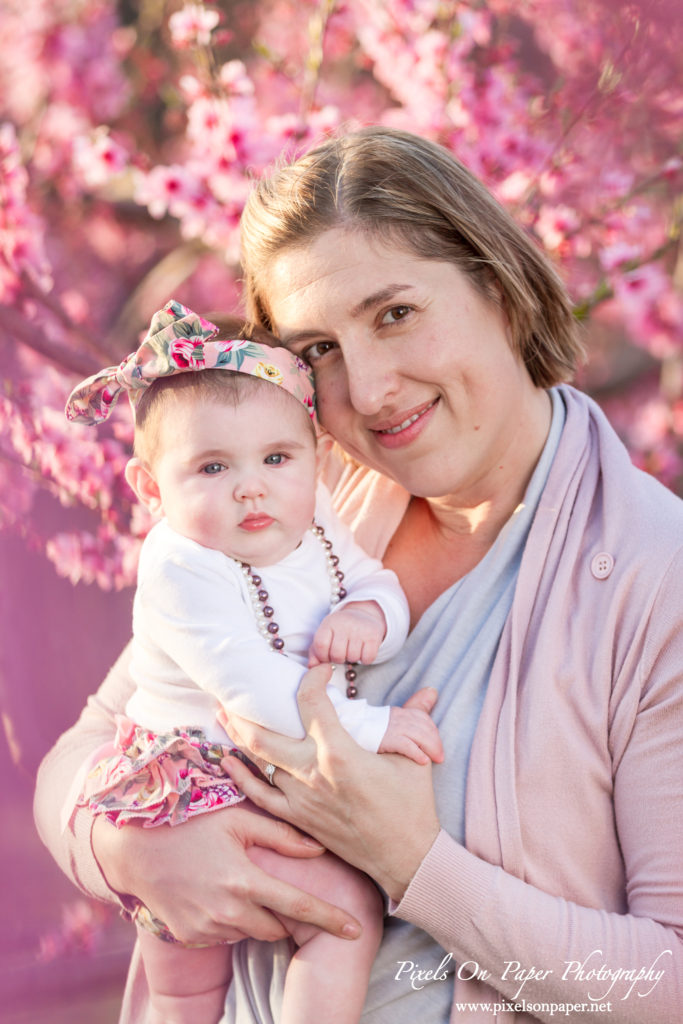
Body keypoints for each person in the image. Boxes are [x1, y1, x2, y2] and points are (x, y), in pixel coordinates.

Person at [35, 126, 683, 1023]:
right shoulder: (297, 489)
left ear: (494, 287)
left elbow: (670, 984)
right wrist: (120, 847)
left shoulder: (657, 577)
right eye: (318, 352)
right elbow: (85, 748)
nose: (371, 391)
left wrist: (415, 866)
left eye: (394, 313)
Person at [59, 298, 442, 1024]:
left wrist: (371, 616)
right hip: (187, 786)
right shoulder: (180, 565)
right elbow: (250, 689)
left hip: (256, 769)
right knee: (333, 917)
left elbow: (371, 580)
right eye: (210, 466)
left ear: (313, 456)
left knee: (324, 923)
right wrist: (370, 729)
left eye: (275, 457)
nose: (250, 486)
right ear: (150, 491)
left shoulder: (315, 513)